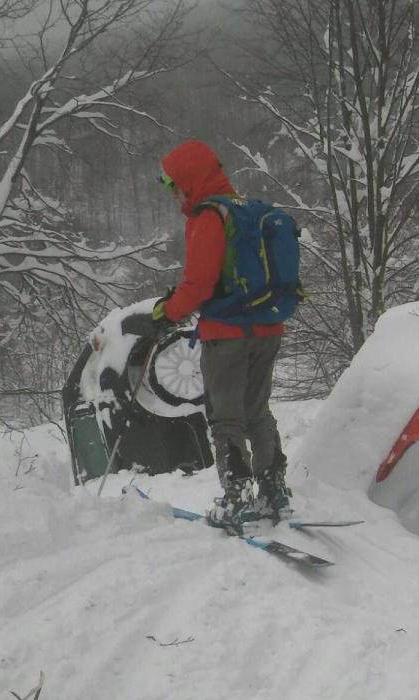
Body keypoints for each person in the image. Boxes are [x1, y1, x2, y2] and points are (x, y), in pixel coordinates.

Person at [151, 139, 291, 526]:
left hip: (227, 335)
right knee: (257, 410)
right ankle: (273, 491)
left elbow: (199, 284)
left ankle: (236, 498)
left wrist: (167, 312)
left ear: (189, 180)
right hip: (268, 328)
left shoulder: (208, 217)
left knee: (226, 417)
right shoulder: (248, 212)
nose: (173, 194)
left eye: (173, 185)